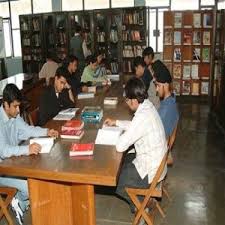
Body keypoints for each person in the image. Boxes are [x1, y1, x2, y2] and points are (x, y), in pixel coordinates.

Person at [104, 77, 167, 213]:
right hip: (157, 163)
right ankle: (143, 200)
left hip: (151, 170)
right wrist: (117, 122)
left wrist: (113, 137)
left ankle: (141, 204)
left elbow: (120, 146)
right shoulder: (147, 106)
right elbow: (135, 126)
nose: (126, 103)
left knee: (115, 181)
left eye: (127, 100)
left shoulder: (141, 117)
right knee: (124, 162)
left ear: (133, 100)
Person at [0, 83, 58, 224]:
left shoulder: (14, 115)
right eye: (15, 106)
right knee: (31, 187)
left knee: (40, 178)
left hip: (12, 164)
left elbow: (28, 130)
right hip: (2, 170)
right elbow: (4, 150)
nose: (18, 110)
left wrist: (46, 131)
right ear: (5, 104)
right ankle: (18, 202)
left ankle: (18, 201)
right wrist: (27, 149)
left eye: (19, 106)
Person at [152, 60, 179, 138]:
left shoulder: (165, 110)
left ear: (166, 85)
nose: (156, 89)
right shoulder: (172, 100)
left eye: (158, 86)